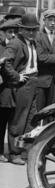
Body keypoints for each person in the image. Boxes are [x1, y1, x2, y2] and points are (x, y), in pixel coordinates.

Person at [3, 14, 41, 165]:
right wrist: (17, 77)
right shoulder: (15, 43)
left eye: (34, 30)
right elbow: (6, 63)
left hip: (33, 82)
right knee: (18, 120)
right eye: (28, 30)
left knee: (30, 120)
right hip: (22, 85)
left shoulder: (32, 42)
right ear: (21, 29)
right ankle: (14, 153)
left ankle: (24, 150)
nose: (31, 32)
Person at [0, 18, 20, 163]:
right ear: (3, 33)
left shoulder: (16, 47)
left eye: (14, 32)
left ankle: (13, 152)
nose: (12, 35)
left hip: (14, 90)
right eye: (9, 32)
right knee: (1, 123)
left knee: (13, 122)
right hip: (3, 91)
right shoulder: (1, 48)